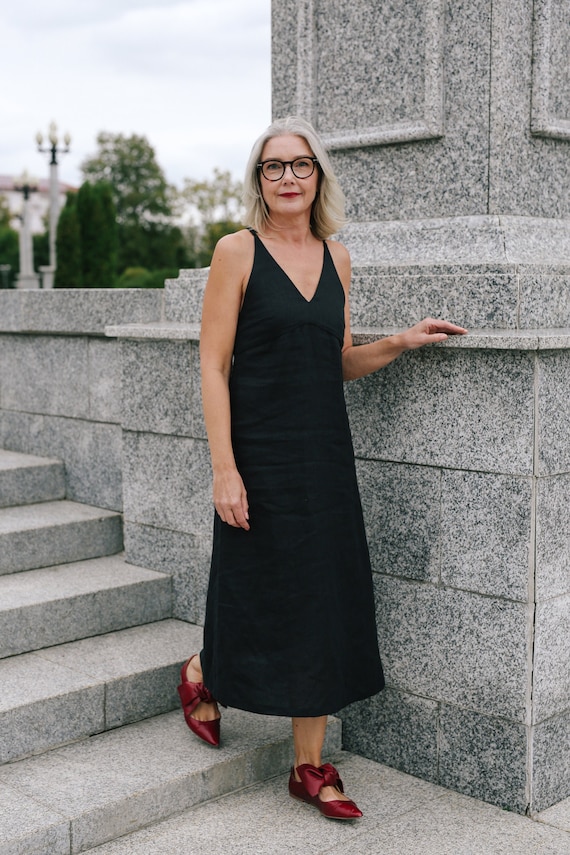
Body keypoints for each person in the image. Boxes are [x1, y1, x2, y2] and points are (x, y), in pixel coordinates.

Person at [177, 116, 467, 820]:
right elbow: (214, 366)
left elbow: (334, 363)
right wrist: (224, 468)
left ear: (318, 177)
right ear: (258, 181)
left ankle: (307, 766)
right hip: (259, 452)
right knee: (251, 584)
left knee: (318, 598)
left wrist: (398, 341)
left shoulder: (337, 258)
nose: (287, 179)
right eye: (272, 168)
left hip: (323, 455)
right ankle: (203, 672)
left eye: (299, 166)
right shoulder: (236, 253)